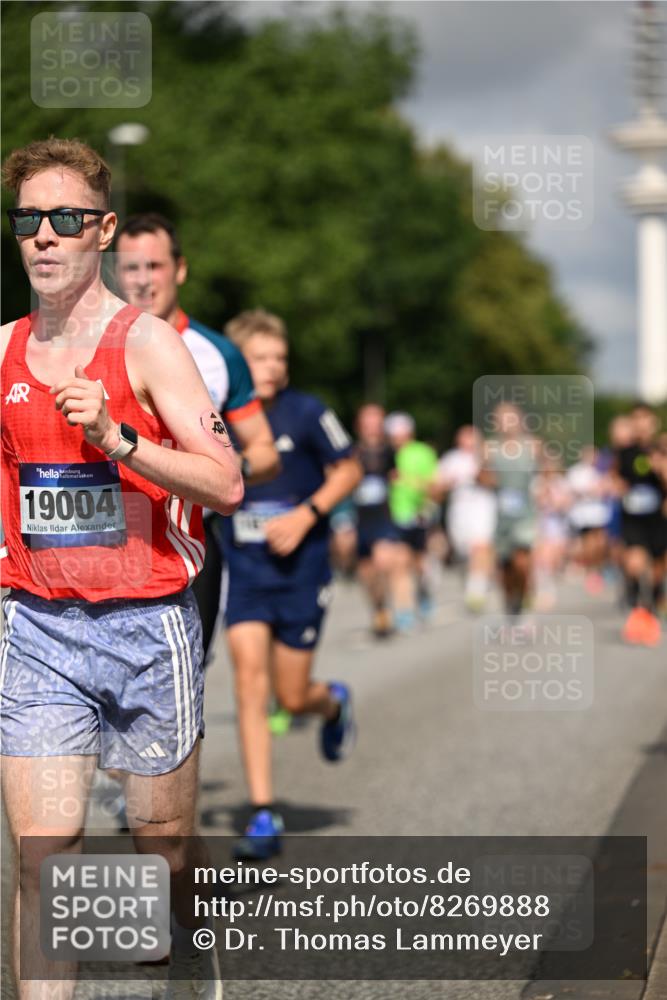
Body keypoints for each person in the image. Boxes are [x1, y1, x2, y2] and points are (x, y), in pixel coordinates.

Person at [0, 137, 243, 1000]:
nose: (44, 236)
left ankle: (194, 951)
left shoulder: (148, 347)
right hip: (39, 626)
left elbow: (226, 483)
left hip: (149, 624)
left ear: (102, 231)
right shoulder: (2, 351)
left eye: (66, 218)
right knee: (44, 855)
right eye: (28, 220)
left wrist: (117, 437)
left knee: (163, 847)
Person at [221, 309, 362, 860]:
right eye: (260, 357)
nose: (273, 366)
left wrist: (306, 515)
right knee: (249, 685)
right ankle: (263, 812)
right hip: (246, 573)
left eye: (280, 357)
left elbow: (349, 469)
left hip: (302, 572)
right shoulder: (217, 415)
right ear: (237, 362)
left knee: (292, 696)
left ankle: (332, 704)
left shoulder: (308, 412)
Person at [114, 213, 279, 660]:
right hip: (106, 539)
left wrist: (231, 468)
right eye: (130, 268)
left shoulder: (219, 354)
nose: (142, 280)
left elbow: (265, 449)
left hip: (188, 543)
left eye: (155, 266)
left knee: (183, 685)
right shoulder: (88, 341)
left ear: (180, 269)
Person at [479, 403, 540, 617]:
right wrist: (488, 479)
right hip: (501, 515)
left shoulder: (532, 446)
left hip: (525, 513)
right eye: (502, 419)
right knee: (505, 566)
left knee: (522, 561)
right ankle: (510, 603)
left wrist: (545, 488)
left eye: (511, 419)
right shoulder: (489, 448)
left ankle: (524, 597)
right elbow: (482, 476)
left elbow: (548, 471)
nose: (507, 424)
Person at [614, 403, 666, 646]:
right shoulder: (625, 452)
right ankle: (636, 607)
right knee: (634, 564)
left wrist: (661, 468)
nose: (641, 424)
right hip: (633, 519)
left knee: (656, 571)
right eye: (636, 419)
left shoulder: (662, 448)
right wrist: (616, 486)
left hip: (658, 521)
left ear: (654, 423)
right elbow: (616, 479)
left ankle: (652, 607)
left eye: (646, 419)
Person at [384, 412, 439, 632]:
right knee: (399, 563)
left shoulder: (422, 452)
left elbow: (433, 485)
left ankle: (423, 593)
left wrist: (408, 482)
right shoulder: (385, 454)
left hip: (418, 514)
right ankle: (403, 611)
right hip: (393, 515)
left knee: (419, 564)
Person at [434, 425, 497, 613]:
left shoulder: (487, 457)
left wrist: (483, 465)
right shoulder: (451, 459)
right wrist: (446, 484)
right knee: (465, 553)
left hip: (482, 508)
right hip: (458, 511)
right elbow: (437, 487)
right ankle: (475, 581)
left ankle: (476, 591)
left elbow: (493, 481)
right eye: (466, 436)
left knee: (481, 546)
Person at [352, 403, 400, 637]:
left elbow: (397, 479)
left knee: (383, 562)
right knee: (366, 572)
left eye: (376, 422)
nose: (371, 427)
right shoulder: (352, 452)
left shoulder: (390, 452)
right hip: (360, 518)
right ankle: (378, 608)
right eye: (367, 422)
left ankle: (385, 608)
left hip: (383, 516)